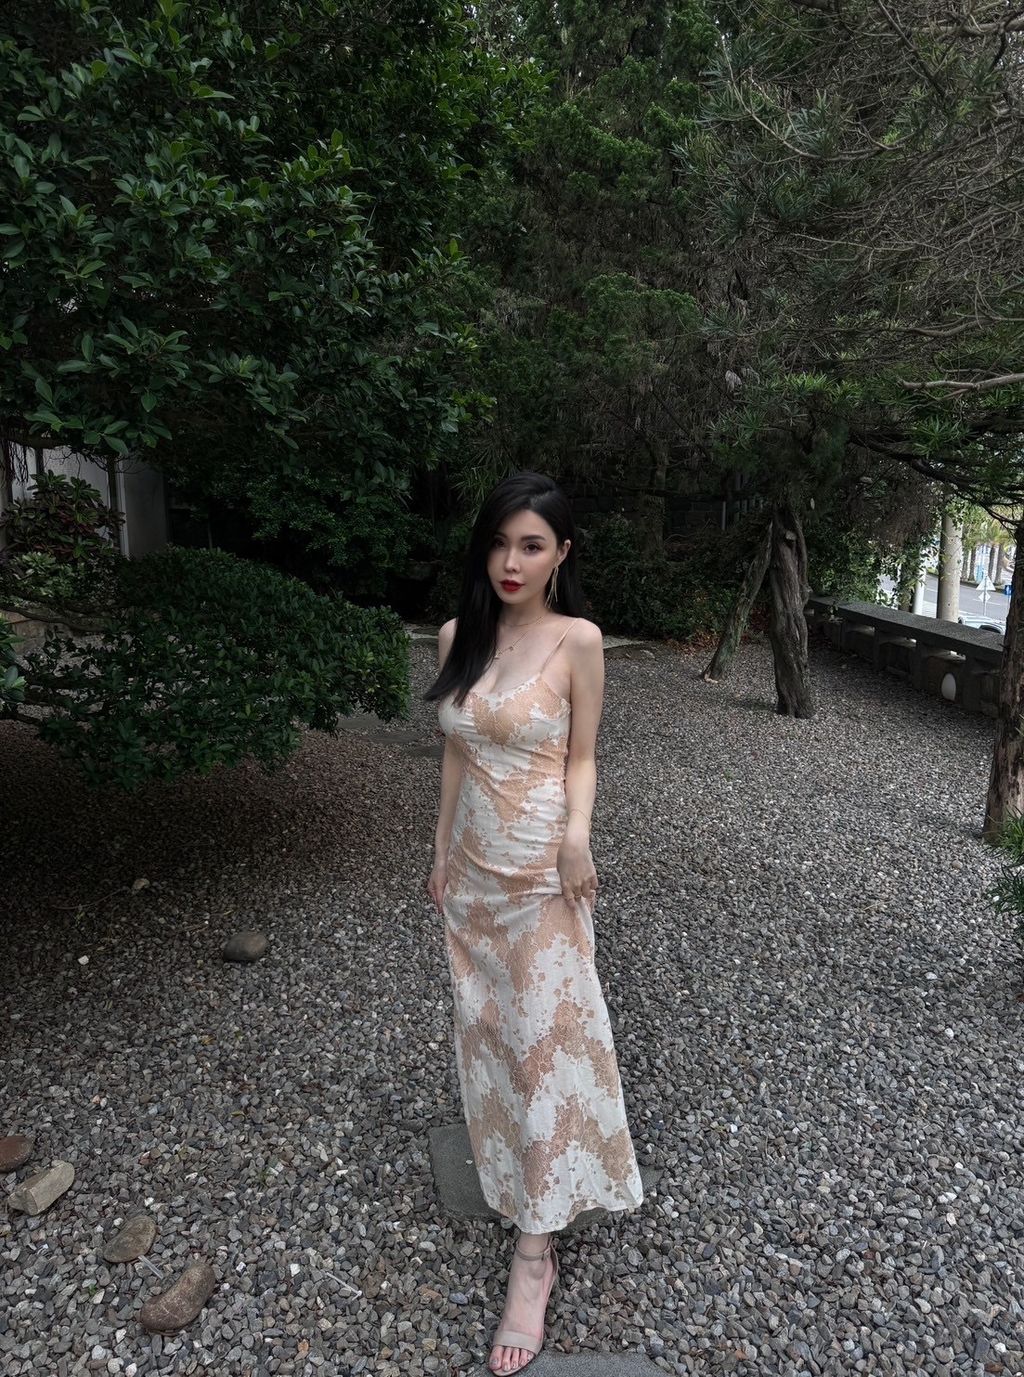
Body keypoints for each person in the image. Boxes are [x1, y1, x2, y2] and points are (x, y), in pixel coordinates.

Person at [423, 471, 645, 1374]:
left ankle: (534, 1254)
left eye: (532, 545)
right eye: (500, 542)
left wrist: (578, 838)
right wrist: (439, 852)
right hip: (474, 877)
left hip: (543, 876)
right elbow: (456, 755)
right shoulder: (458, 636)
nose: (511, 562)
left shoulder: (578, 640)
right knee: (491, 1035)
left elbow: (582, 756)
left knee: (547, 1045)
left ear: (561, 555)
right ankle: (515, 1169)